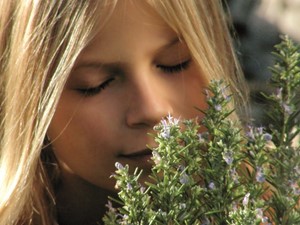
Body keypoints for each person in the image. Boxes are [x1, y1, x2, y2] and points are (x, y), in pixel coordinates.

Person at [0, 0, 248, 224]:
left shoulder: (273, 198)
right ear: (29, 102)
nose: (152, 109)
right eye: (96, 84)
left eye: (175, 63)